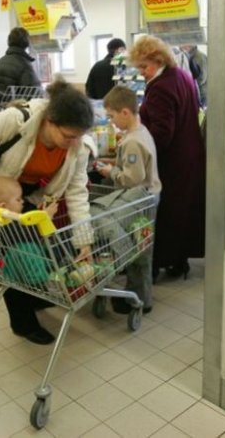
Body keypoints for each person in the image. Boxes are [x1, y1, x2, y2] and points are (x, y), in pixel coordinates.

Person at [0, 79, 94, 344]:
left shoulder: (78, 147)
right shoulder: (16, 120)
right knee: (13, 255)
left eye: (78, 136)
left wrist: (83, 240)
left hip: (29, 196)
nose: (73, 143)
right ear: (49, 121)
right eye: (68, 136)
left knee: (41, 248)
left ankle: (34, 299)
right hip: (0, 195)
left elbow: (77, 191)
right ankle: (22, 322)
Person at [128, 35, 205, 280]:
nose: (141, 72)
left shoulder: (161, 87)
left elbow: (162, 133)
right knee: (183, 211)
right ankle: (179, 262)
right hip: (190, 155)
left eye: (144, 66)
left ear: (158, 59)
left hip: (172, 161)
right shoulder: (183, 76)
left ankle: (163, 261)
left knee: (168, 213)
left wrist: (139, 147)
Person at [96, 86, 161, 313]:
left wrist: (109, 172)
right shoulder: (141, 132)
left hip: (139, 202)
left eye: (112, 116)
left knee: (136, 252)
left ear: (125, 112)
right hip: (149, 197)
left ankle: (138, 301)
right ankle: (142, 297)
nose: (112, 122)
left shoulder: (132, 141)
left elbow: (133, 179)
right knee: (141, 249)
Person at [0, 27, 41, 99]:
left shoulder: (0, 62)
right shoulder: (24, 65)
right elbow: (35, 95)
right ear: (26, 42)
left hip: (0, 109)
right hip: (16, 108)